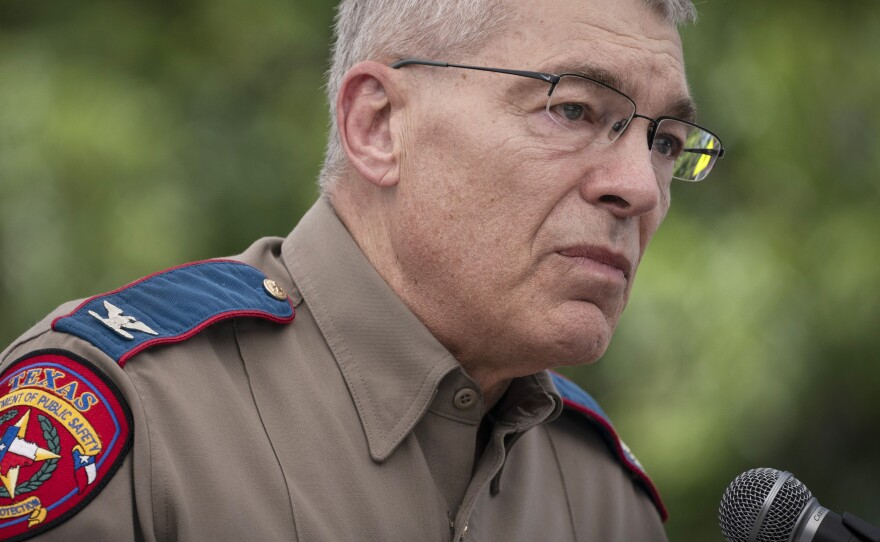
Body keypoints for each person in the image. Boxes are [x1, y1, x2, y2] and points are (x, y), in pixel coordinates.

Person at [0, 0, 725, 539]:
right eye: (572, 109)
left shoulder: (600, 495)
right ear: (379, 125)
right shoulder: (138, 417)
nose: (638, 186)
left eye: (665, 141)